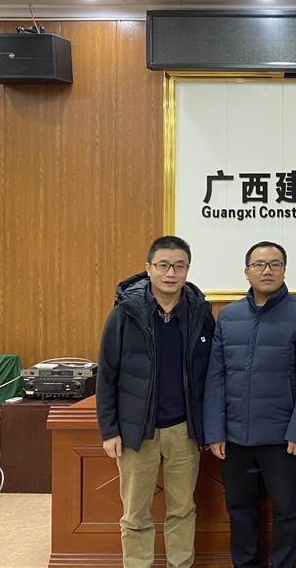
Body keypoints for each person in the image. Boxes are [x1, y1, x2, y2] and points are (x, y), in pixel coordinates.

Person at [203, 240, 296, 568]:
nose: (267, 270)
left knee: (287, 512)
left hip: (282, 439)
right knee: (240, 511)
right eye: (259, 264)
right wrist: (215, 431)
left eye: (275, 264)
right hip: (235, 437)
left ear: (284, 270)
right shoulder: (228, 316)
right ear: (247, 272)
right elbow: (215, 377)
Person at [96, 235, 215, 568]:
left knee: (183, 509)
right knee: (135, 514)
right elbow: (107, 374)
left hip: (184, 431)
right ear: (148, 268)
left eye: (179, 266)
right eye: (163, 265)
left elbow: (211, 374)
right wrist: (109, 430)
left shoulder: (200, 313)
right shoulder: (125, 313)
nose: (171, 273)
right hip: (137, 432)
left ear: (187, 269)